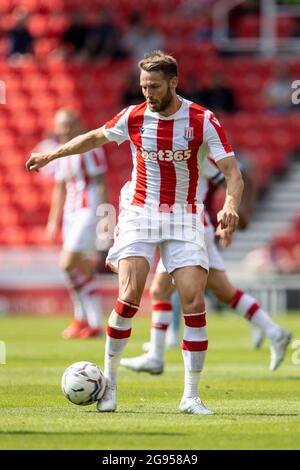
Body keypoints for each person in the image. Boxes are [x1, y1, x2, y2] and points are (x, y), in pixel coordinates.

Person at [26, 50, 243, 415]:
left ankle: (190, 396)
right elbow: (94, 137)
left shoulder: (202, 119)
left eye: (155, 87)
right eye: (143, 86)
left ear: (173, 82)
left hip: (183, 215)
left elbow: (233, 172)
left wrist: (230, 205)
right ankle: (109, 387)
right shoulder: (134, 116)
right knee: (128, 296)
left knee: (194, 300)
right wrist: (52, 155)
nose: (148, 94)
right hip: (139, 212)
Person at [121, 157, 292, 374]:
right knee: (224, 292)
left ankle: (156, 355)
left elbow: (236, 179)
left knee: (161, 290)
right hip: (193, 227)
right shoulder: (187, 150)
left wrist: (233, 217)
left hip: (190, 229)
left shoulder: (195, 153)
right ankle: (275, 332)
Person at [39, 108, 107, 339]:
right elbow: (59, 189)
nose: (65, 129)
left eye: (69, 124)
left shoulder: (89, 150)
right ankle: (90, 321)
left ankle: (85, 318)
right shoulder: (59, 153)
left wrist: (104, 216)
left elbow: (100, 182)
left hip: (87, 211)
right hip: (70, 214)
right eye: (61, 125)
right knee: (79, 268)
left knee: (67, 264)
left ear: (78, 124)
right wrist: (52, 222)